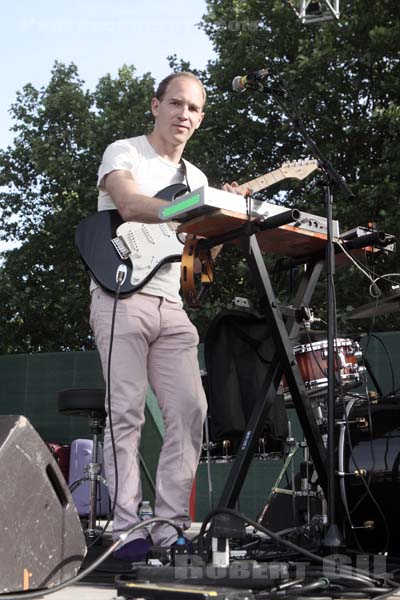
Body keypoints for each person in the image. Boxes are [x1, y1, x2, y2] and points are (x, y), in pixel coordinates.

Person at [90, 71, 239, 562]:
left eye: (194, 109)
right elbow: (130, 204)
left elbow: (195, 258)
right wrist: (197, 205)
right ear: (155, 106)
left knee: (192, 412)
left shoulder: (196, 179)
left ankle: (170, 528)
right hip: (119, 295)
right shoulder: (125, 151)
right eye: (176, 104)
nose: (185, 115)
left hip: (171, 303)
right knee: (126, 414)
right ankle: (127, 531)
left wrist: (220, 214)